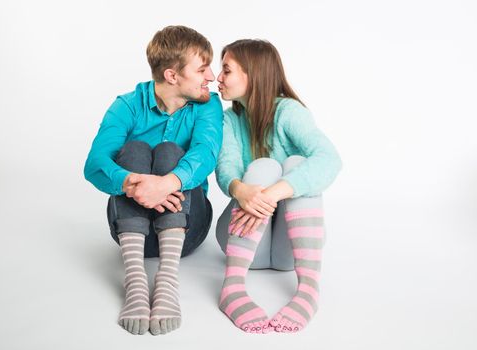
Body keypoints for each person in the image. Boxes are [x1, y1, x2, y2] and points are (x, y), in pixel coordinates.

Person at [84, 26, 223, 336]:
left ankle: (167, 279)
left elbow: (206, 152)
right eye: (202, 69)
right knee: (133, 151)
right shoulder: (128, 104)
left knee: (170, 151)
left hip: (186, 231)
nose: (212, 77)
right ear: (172, 76)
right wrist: (133, 182)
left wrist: (166, 184)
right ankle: (134, 279)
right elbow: (94, 164)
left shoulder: (207, 105)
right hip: (132, 236)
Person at [214, 39, 342, 334]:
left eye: (227, 70)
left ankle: (308, 289)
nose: (218, 78)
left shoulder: (289, 111)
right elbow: (226, 166)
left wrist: (274, 192)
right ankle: (232, 286)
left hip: (291, 249)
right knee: (263, 167)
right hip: (244, 244)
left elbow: (330, 159)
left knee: (296, 164)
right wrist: (238, 189)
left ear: (252, 73)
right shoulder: (228, 120)